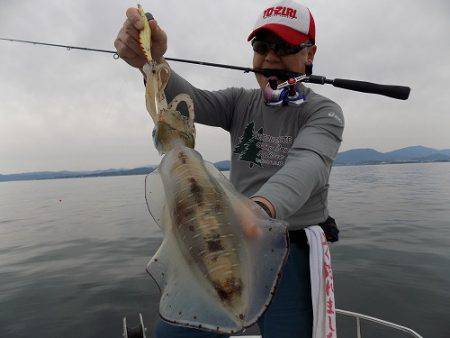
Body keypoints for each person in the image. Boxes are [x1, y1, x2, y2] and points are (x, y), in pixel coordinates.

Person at [115, 0, 343, 337]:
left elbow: (308, 164)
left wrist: (257, 210)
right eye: (262, 46)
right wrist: (152, 61)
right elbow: (188, 98)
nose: (270, 57)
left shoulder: (323, 112)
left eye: (284, 46)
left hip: (292, 247)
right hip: (229, 237)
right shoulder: (240, 101)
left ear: (309, 54)